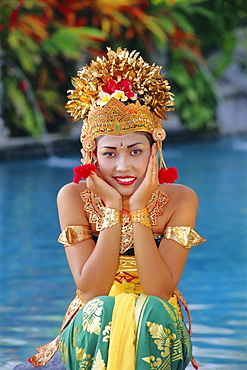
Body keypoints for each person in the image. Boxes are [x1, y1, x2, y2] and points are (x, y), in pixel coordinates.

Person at [15, 47, 205, 370]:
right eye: (110, 154)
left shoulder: (181, 200)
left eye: (135, 151)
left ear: (154, 149)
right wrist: (114, 208)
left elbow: (159, 291)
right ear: (92, 153)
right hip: (93, 328)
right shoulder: (73, 197)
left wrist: (141, 207)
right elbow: (91, 291)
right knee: (102, 310)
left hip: (154, 329)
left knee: (151, 312)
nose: (123, 166)